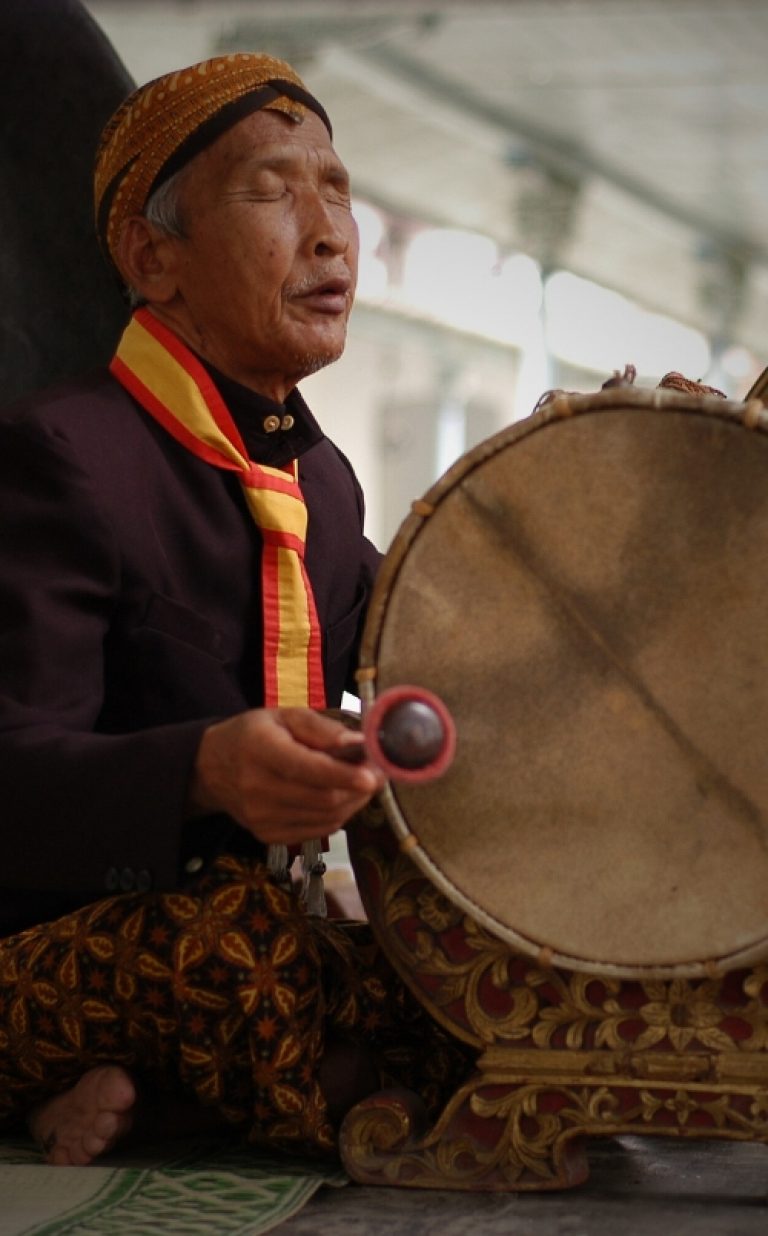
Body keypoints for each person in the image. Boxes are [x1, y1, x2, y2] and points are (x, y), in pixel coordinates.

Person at [0, 53, 467, 1166]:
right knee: (247, 950)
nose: (330, 232)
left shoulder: (320, 485)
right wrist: (202, 770)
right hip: (65, 938)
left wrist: (582, 472)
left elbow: (433, 654)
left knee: (468, 987)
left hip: (252, 938)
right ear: (152, 259)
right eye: (272, 190)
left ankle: (141, 1098)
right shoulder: (63, 455)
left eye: (338, 188)